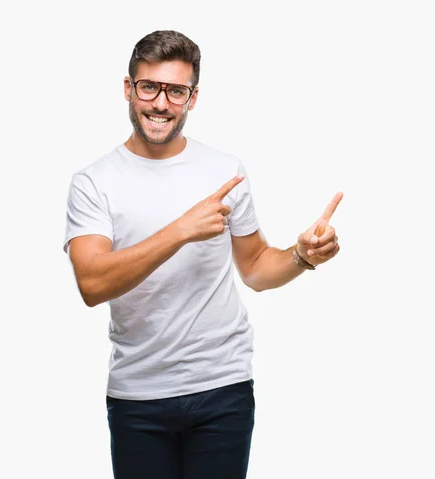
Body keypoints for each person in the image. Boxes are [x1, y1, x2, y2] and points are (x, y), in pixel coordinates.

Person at [63, 30, 342, 479]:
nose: (160, 103)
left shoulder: (224, 170)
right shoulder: (95, 182)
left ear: (193, 98)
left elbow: (253, 267)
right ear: (128, 89)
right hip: (139, 396)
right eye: (149, 87)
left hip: (222, 388)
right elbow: (92, 284)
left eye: (176, 91)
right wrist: (180, 231)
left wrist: (301, 256)